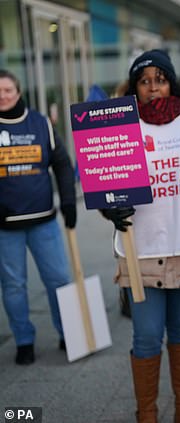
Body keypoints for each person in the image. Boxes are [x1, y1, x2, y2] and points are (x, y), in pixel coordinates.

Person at [100, 49, 180, 423]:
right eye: (144, 81)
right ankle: (146, 413)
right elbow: (106, 185)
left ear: (171, 83)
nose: (153, 88)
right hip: (141, 248)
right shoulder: (120, 131)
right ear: (134, 87)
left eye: (160, 79)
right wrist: (108, 208)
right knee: (146, 336)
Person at [0, 69, 76, 365]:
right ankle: (23, 341)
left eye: (7, 89)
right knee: (14, 286)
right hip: (6, 228)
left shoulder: (40, 123)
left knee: (58, 279)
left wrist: (69, 202)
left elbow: (62, 164)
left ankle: (68, 334)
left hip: (44, 220)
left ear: (18, 91)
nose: (3, 96)